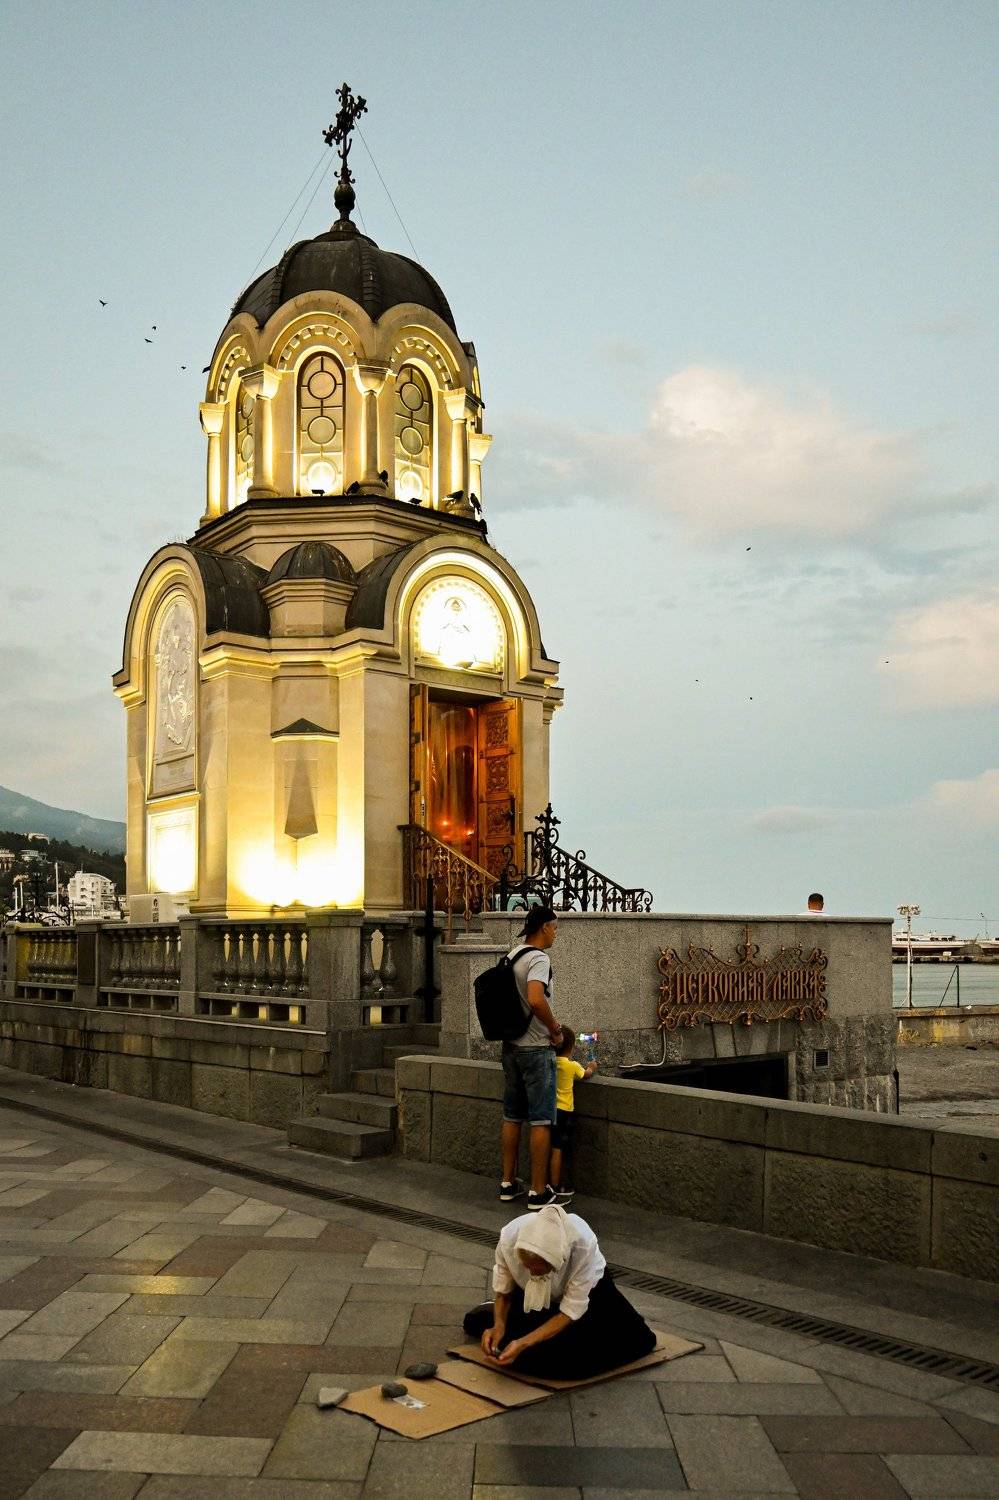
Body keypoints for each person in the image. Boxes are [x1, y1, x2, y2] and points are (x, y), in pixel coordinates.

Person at [463, 1206, 656, 1379]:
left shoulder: (583, 1245)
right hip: (531, 1295)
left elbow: (569, 1313)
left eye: (539, 1270)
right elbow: (504, 1292)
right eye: (527, 1267)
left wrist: (524, 1343)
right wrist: (498, 1324)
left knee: (574, 1362)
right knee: (480, 1326)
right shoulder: (509, 1238)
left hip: (591, 1296)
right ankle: (509, 1319)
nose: (533, 1274)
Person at [499, 905, 568, 1212]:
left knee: (512, 1115)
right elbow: (536, 999)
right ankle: (538, 1192)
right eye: (555, 927)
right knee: (541, 1118)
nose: (555, 933)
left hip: (511, 1046)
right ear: (544, 928)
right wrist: (555, 1030)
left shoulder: (513, 955)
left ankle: (508, 1182)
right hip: (536, 1048)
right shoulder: (539, 958)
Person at [550, 1026, 596, 1198]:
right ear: (571, 1048)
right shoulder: (572, 1066)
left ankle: (547, 1182)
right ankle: (556, 1186)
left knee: (551, 1146)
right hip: (565, 1112)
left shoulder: (550, 1062)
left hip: (550, 1110)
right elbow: (586, 1074)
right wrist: (592, 1065)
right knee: (559, 1148)